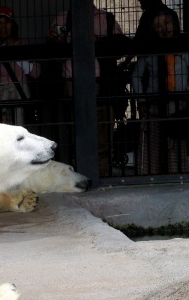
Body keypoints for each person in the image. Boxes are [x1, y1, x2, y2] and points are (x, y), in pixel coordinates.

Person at [47, 5, 124, 176]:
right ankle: (79, 177)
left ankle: (102, 176)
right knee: (75, 135)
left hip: (103, 85)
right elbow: (51, 52)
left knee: (102, 135)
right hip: (71, 84)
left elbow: (121, 47)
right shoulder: (63, 17)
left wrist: (98, 41)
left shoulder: (106, 18)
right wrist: (54, 40)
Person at [132, 9, 188, 175]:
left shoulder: (183, 50)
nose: (163, 28)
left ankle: (177, 174)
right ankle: (149, 175)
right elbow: (135, 75)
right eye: (158, 26)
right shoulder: (150, 52)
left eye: (167, 23)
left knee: (176, 143)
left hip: (178, 104)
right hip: (154, 104)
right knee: (151, 141)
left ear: (175, 24)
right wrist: (142, 100)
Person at [0, 6, 40, 125]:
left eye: (7, 22)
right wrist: (0, 52)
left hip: (18, 99)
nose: (3, 26)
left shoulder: (23, 44)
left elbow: (36, 72)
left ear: (13, 24)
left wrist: (14, 52)